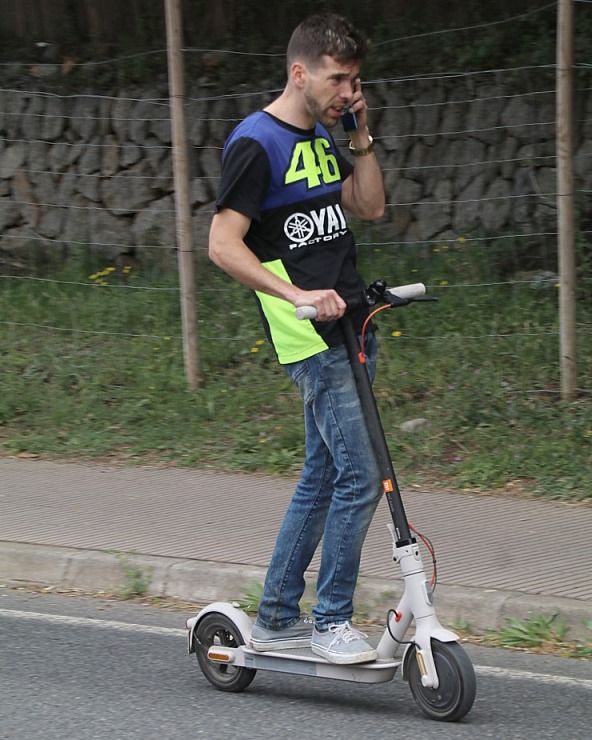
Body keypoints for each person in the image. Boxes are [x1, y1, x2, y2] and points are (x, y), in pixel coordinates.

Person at [208, 13, 385, 665]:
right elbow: (221, 246)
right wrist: (296, 297)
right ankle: (332, 619)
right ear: (300, 72)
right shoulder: (257, 142)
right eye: (339, 78)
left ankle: (279, 614)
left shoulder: (325, 134)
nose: (347, 89)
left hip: (352, 322)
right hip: (307, 334)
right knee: (361, 476)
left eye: (355, 80)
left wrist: (359, 131)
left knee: (324, 471)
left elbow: (369, 207)